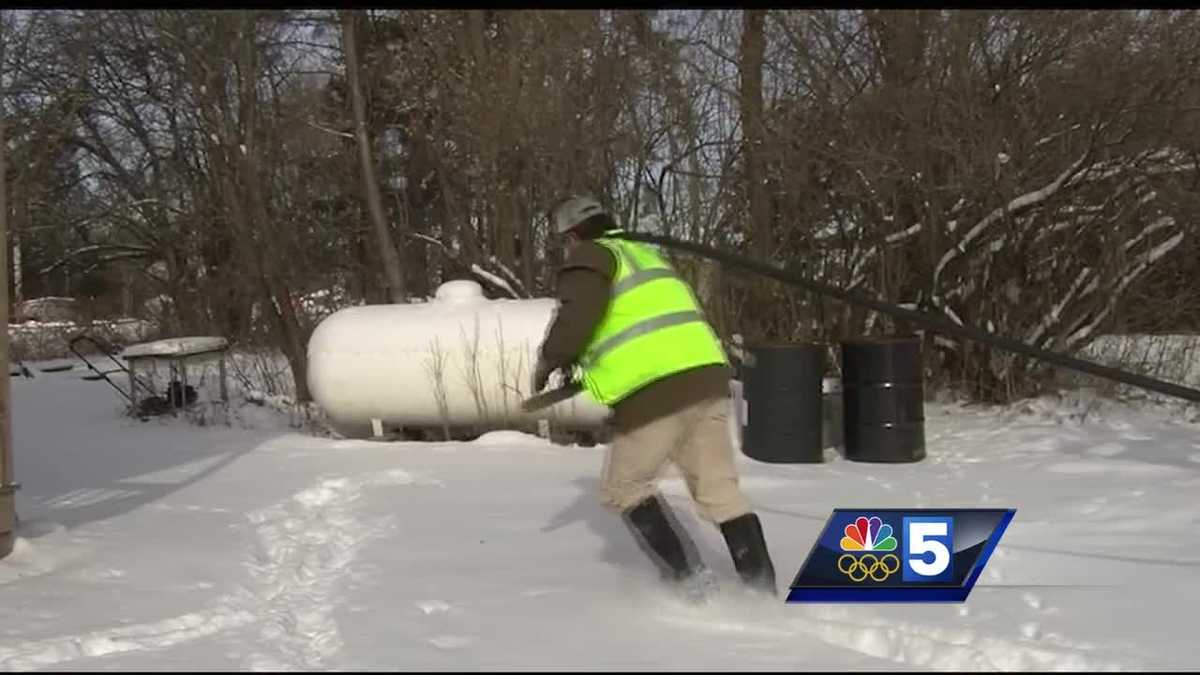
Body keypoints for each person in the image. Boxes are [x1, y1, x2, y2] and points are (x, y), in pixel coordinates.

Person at [531, 194, 776, 597]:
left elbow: (577, 317)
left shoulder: (591, 257)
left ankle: (692, 588)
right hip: (707, 379)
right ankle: (762, 593)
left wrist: (549, 359)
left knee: (624, 489)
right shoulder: (645, 257)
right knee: (720, 494)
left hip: (655, 392)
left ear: (573, 235)